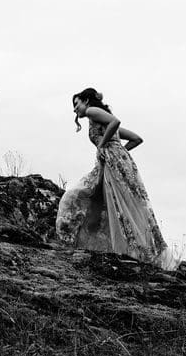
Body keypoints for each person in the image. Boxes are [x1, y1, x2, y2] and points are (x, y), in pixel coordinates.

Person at [56, 88, 176, 268]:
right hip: (118, 160)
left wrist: (103, 147)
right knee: (124, 204)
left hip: (113, 161)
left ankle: (124, 250)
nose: (74, 109)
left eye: (76, 104)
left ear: (86, 101)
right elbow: (136, 138)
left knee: (85, 197)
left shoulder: (92, 111)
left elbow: (115, 121)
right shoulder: (97, 118)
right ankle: (133, 250)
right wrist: (119, 152)